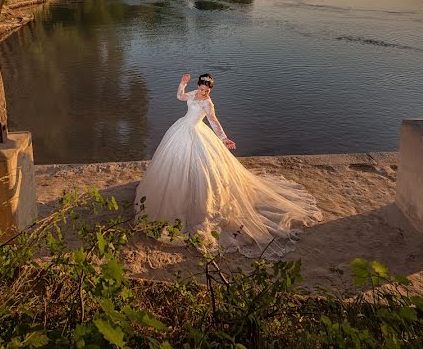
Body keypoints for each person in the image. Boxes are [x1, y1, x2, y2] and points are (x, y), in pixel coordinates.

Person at [134, 73, 322, 258]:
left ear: (210, 90)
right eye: (202, 89)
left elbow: (214, 121)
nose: (204, 93)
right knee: (174, 165)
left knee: (204, 170)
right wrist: (182, 84)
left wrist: (224, 139)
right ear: (198, 86)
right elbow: (180, 97)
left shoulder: (208, 103)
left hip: (198, 133)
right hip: (182, 129)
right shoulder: (193, 93)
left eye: (207, 90)